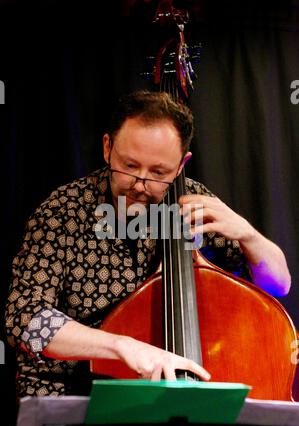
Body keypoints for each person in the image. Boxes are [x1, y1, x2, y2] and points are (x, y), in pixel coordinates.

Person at [5, 90, 291, 398]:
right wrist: (120, 345)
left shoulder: (192, 203)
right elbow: (25, 319)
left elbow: (278, 286)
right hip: (73, 396)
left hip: (170, 399)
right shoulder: (63, 211)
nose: (140, 185)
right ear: (107, 148)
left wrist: (248, 235)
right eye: (129, 166)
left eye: (158, 172)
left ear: (181, 165)